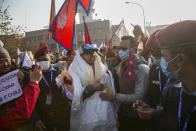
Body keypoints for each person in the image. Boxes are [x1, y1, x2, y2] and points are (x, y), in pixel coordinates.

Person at [134, 20, 196, 131]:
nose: (162, 61)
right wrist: (154, 112)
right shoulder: (172, 92)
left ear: (180, 59)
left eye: (164, 55)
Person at [100, 36, 149, 131]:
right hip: (122, 115)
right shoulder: (119, 68)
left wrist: (115, 96)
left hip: (137, 117)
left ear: (134, 50)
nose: (120, 51)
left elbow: (139, 96)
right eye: (119, 48)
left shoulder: (141, 69)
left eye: (124, 49)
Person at [69, 44, 117, 131]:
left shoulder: (101, 66)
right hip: (87, 117)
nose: (92, 55)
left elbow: (109, 87)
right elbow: (71, 94)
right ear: (81, 56)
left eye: (93, 52)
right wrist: (91, 88)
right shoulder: (74, 70)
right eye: (88, 53)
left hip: (105, 114)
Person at [0, 47, 43, 131]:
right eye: (1, 62)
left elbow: (31, 100)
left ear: (10, 60)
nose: (5, 64)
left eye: (7, 60)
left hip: (24, 123)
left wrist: (36, 119)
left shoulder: (22, 74)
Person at [31, 45, 71, 131]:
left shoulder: (61, 72)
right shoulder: (32, 76)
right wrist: (36, 119)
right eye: (39, 60)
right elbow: (30, 100)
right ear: (36, 62)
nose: (42, 62)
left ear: (50, 59)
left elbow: (71, 92)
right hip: (43, 119)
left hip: (62, 116)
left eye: (45, 59)